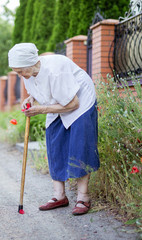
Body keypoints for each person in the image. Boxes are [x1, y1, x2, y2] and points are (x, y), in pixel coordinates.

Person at [8, 43, 99, 215]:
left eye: (20, 71)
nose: (19, 75)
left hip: (80, 101)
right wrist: (31, 99)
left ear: (31, 62)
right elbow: (38, 87)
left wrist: (41, 109)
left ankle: (83, 197)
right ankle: (59, 196)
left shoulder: (56, 70)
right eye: (16, 71)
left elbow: (73, 104)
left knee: (79, 146)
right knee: (54, 143)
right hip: (58, 101)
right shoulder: (29, 73)